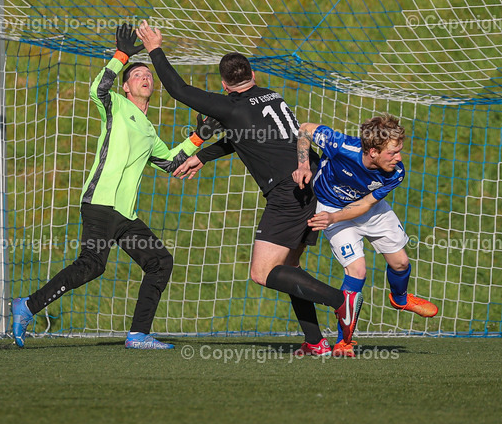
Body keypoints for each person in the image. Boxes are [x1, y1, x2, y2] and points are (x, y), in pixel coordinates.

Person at [136, 21, 362, 356]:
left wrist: (154, 47)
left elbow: (179, 90)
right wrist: (203, 157)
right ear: (252, 76)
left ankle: (340, 300)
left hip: (289, 190)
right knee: (290, 269)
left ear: (225, 85)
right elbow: (243, 136)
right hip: (314, 183)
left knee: (262, 272)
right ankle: (316, 342)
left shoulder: (231, 105)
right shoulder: (272, 97)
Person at [11, 24, 220, 349]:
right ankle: (26, 307)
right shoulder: (116, 106)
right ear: (126, 87)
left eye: (147, 75)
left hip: (124, 213)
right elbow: (97, 88)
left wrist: (201, 135)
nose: (145, 77)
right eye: (136, 75)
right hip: (101, 202)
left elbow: (170, 162)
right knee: (91, 265)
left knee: (159, 262)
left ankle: (138, 334)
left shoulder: (149, 129)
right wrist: (121, 56)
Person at [293, 114, 437, 357]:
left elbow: (364, 205)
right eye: (393, 153)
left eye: (399, 151)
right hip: (331, 207)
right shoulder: (339, 144)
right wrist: (303, 164)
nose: (399, 158)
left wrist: (333, 219)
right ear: (372, 151)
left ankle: (400, 299)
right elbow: (305, 129)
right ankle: (343, 341)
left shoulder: (395, 173)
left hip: (365, 209)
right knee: (357, 271)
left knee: (401, 263)